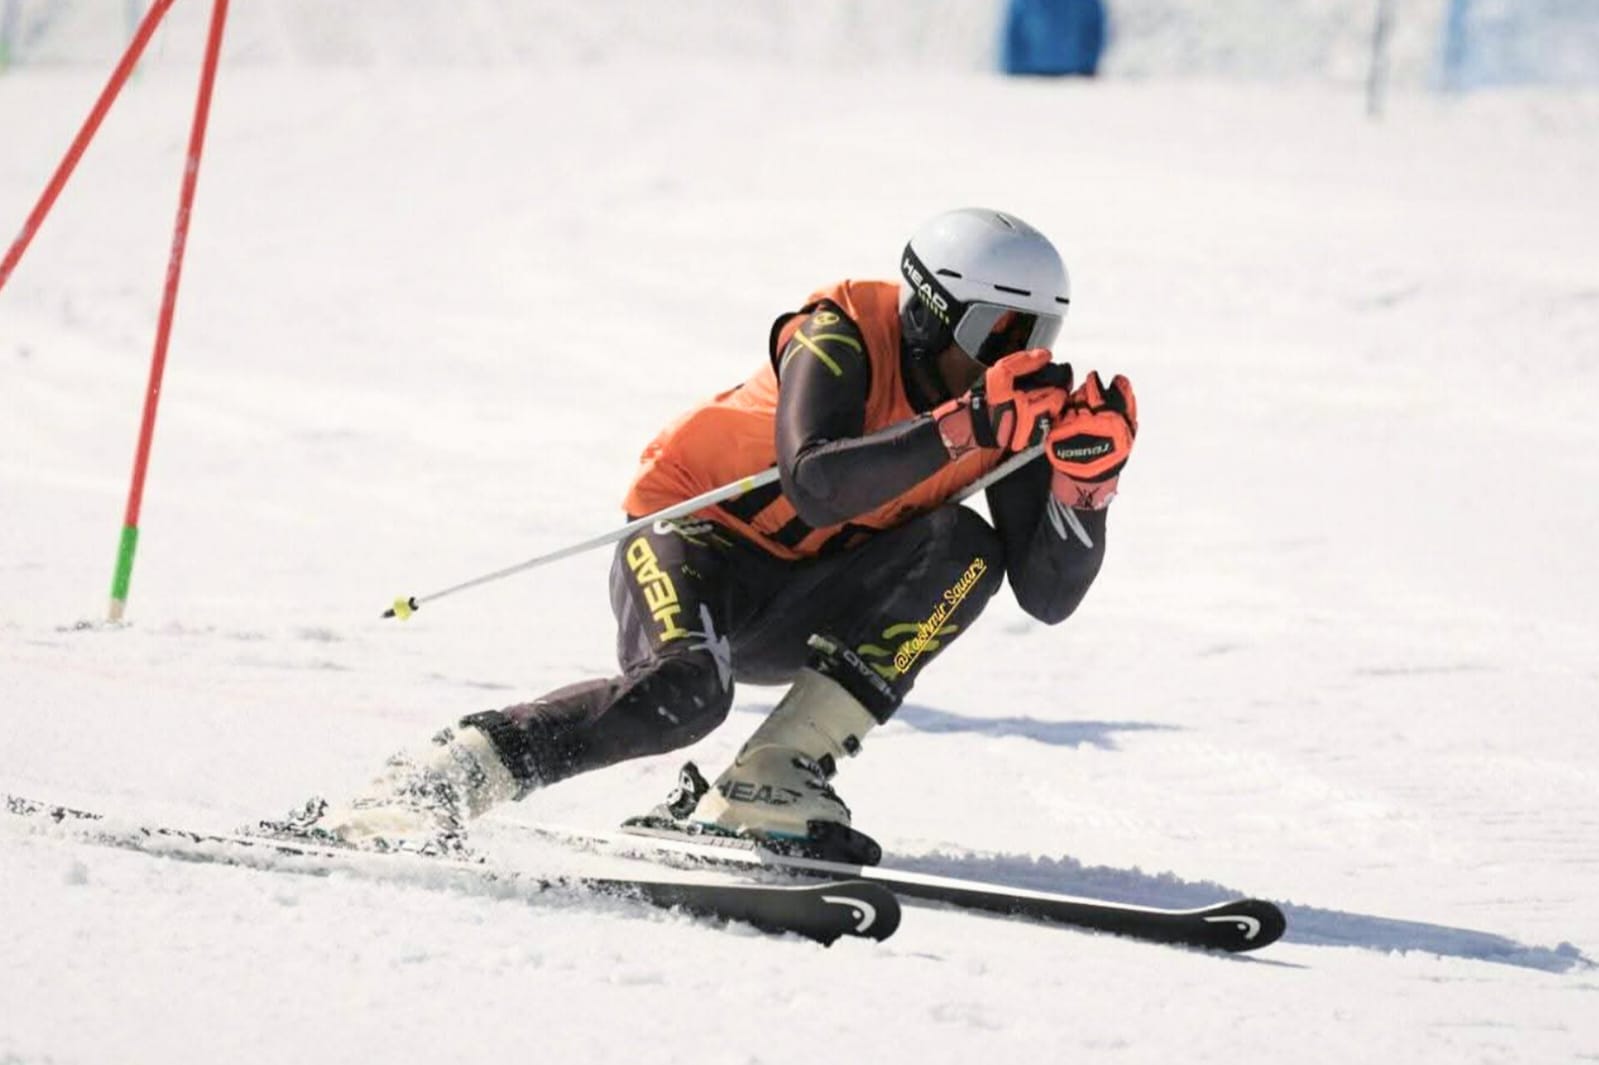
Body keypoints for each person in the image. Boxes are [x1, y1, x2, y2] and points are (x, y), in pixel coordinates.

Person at [279, 207, 1138, 861]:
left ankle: (766, 781)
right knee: (683, 694)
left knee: (968, 550)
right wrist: (964, 425)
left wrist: (1084, 489)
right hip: (693, 539)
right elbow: (815, 482)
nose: (1013, 356)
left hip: (805, 596)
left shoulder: (1004, 407)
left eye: (1037, 335)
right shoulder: (838, 333)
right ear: (928, 313)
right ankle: (431, 783)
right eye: (997, 332)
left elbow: (1046, 596)